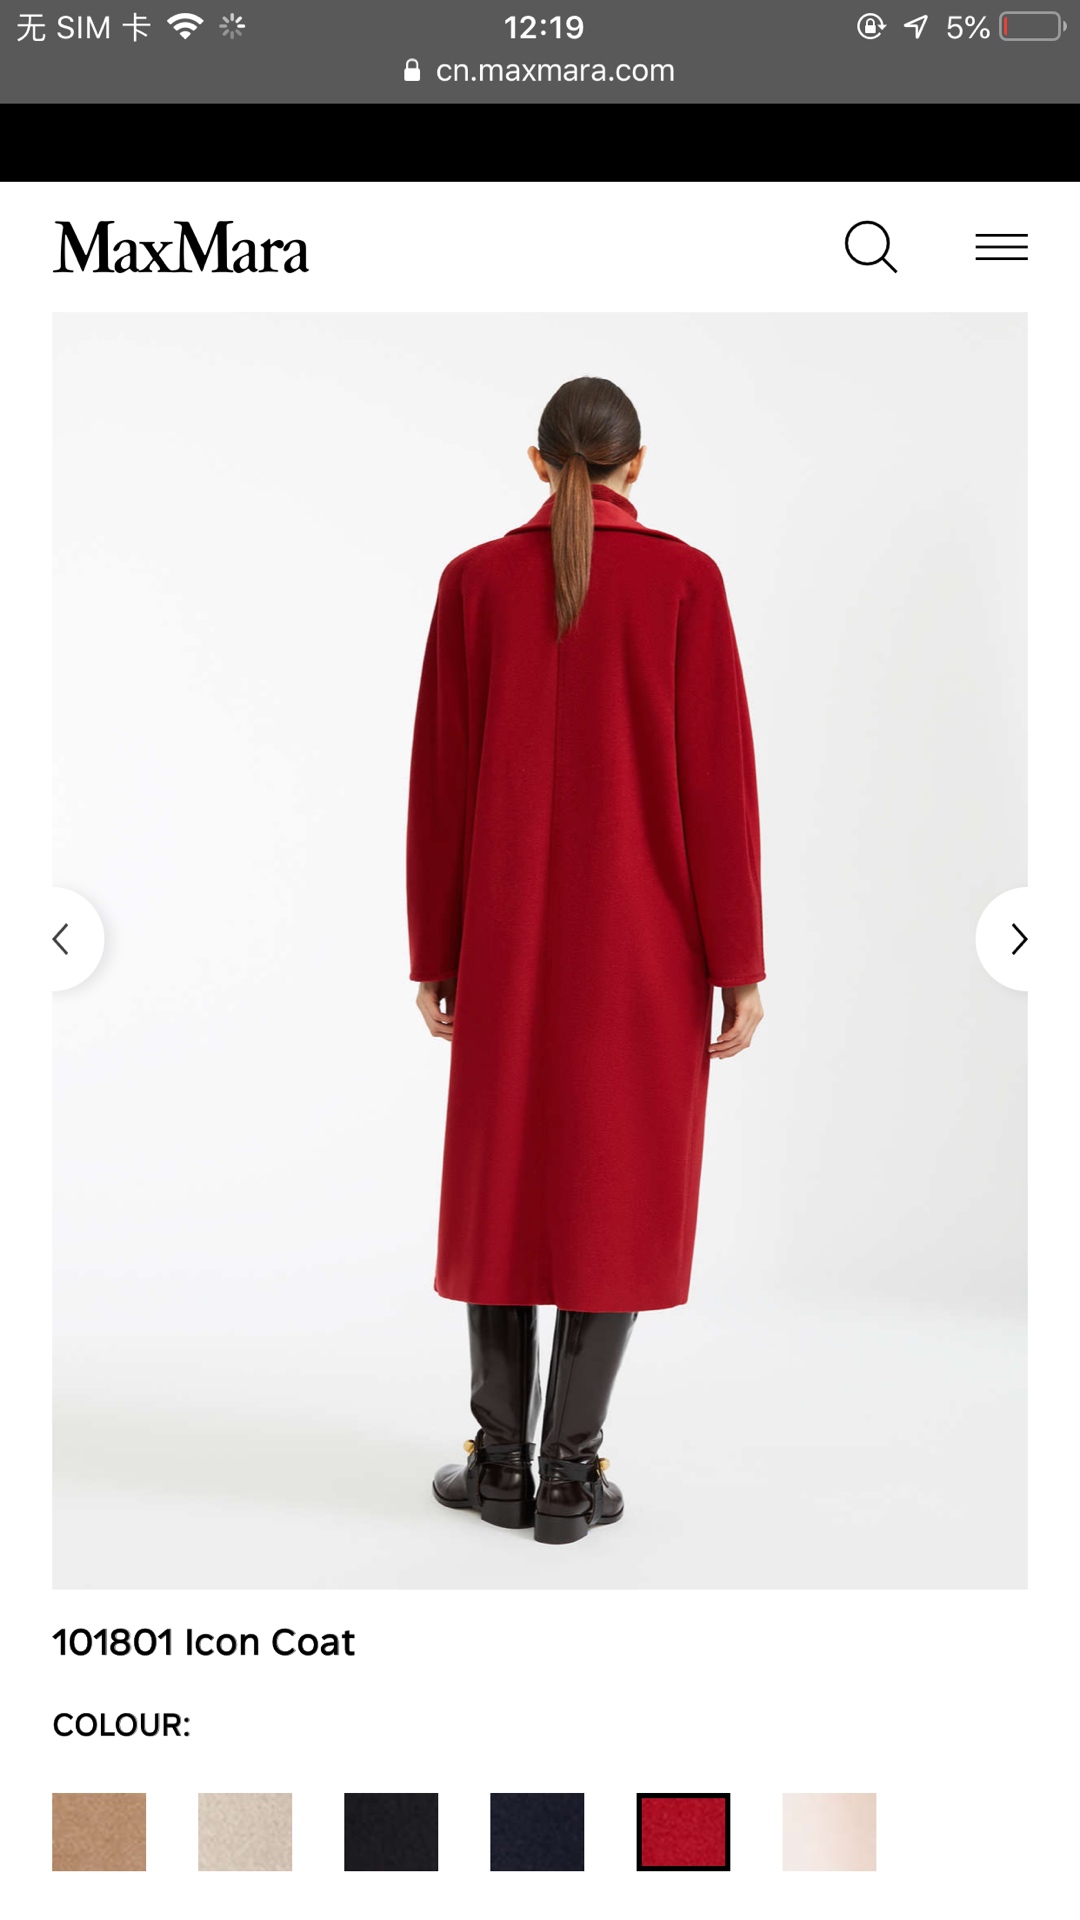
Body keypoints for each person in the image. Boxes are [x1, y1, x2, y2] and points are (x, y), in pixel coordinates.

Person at [407, 376, 765, 1546]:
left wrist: (436, 947)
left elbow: (442, 784)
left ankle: (497, 1463)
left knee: (501, 1181)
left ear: (535, 461)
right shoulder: (685, 582)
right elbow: (718, 786)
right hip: (646, 949)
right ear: (636, 465)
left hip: (505, 942)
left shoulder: (474, 582)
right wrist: (739, 961)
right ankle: (569, 1474)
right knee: (619, 1187)